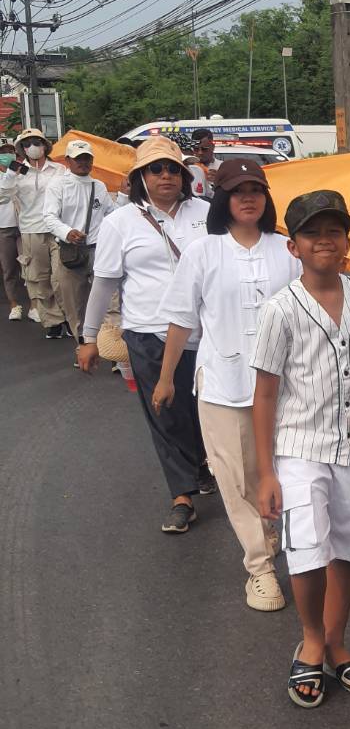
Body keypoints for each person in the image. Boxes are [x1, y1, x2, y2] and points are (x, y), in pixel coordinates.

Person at [252, 190, 350, 707]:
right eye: (312, 233)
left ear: (347, 242)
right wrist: (265, 472)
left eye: (334, 231)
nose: (324, 240)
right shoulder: (280, 309)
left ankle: (338, 643)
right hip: (300, 449)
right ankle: (312, 640)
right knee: (307, 551)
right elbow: (265, 393)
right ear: (292, 246)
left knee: (347, 546)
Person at [153, 158, 301, 612]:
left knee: (279, 470)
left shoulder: (287, 248)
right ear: (223, 199)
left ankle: (278, 536)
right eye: (238, 191)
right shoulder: (203, 251)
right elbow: (182, 318)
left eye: (255, 190)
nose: (248, 198)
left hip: (289, 385)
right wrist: (166, 378)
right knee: (236, 478)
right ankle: (260, 568)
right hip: (224, 383)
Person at [77, 137, 212, 533]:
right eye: (156, 169)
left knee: (203, 406)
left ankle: (200, 462)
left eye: (172, 169)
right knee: (165, 411)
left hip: (208, 330)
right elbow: (104, 283)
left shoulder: (207, 213)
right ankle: (182, 496)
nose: (165, 175)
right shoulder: (120, 222)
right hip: (148, 331)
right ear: (141, 176)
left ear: (184, 175)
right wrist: (88, 338)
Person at [44, 140, 110, 361]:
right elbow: (49, 217)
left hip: (99, 250)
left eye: (87, 158)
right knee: (75, 304)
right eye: (78, 158)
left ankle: (113, 350)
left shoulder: (99, 186)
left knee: (109, 301)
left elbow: (111, 213)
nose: (83, 162)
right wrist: (67, 232)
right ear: (68, 161)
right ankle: (83, 346)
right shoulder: (58, 185)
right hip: (70, 252)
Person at [0, 128, 66, 334]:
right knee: (39, 278)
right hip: (31, 230)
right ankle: (53, 322)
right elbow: (3, 194)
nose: (32, 147)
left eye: (36, 142)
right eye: (27, 144)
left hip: (57, 228)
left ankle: (67, 315)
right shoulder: (18, 172)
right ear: (22, 149)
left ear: (45, 145)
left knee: (61, 276)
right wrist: (11, 172)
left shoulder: (59, 169)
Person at [0, 139, 31, 319]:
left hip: (25, 224)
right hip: (4, 227)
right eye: (3, 152)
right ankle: (14, 305)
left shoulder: (23, 171)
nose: (7, 155)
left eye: (10, 151)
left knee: (30, 266)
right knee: (9, 268)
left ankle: (35, 305)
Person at [185, 132, 217, 199]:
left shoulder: (223, 167)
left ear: (212, 147)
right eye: (196, 149)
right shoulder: (188, 170)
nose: (200, 153)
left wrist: (218, 183)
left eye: (204, 149)